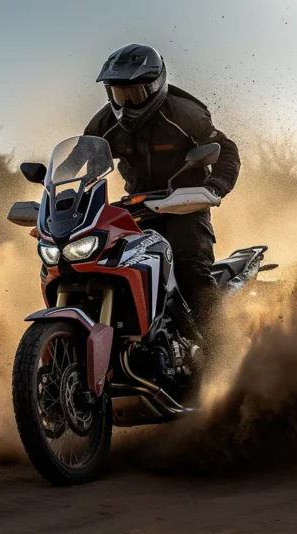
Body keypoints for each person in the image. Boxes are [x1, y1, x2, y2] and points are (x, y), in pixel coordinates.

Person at [85, 43, 240, 330]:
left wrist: (216, 186)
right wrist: (63, 197)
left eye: (136, 92)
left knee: (190, 269)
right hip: (136, 207)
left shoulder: (184, 114)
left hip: (185, 205)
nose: (128, 102)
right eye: (120, 93)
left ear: (157, 86)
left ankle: (222, 347)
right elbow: (84, 164)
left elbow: (225, 148)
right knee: (102, 265)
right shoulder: (103, 124)